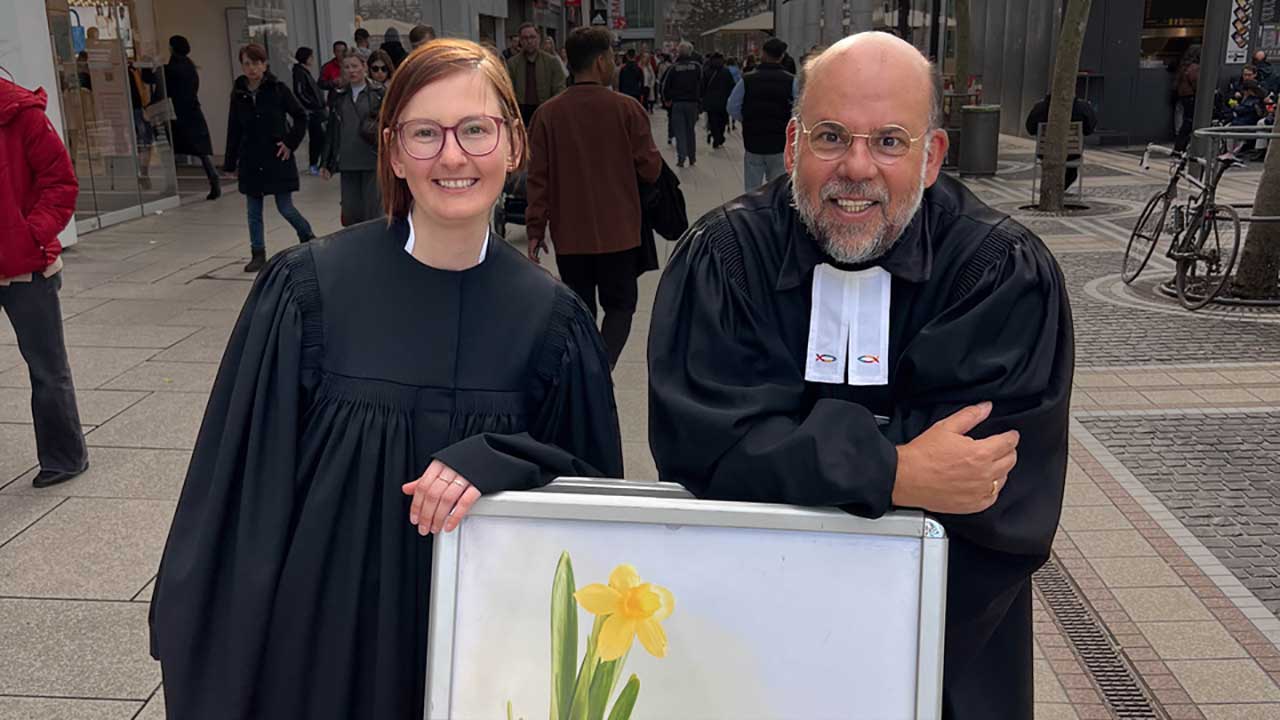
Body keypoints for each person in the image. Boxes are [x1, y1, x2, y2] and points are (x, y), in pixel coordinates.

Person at [150, 38, 622, 719]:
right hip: (323, 651)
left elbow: (592, 498)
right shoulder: (308, 291)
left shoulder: (553, 323)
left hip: (485, 655)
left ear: (514, 144)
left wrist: (504, 456)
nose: (452, 156)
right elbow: (240, 488)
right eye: (425, 133)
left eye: (476, 130)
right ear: (395, 152)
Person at [648, 32, 1072, 720]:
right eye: (830, 136)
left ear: (932, 156)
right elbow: (706, 449)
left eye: (890, 141)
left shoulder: (998, 274)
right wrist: (894, 469)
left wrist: (787, 448)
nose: (856, 167)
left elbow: (993, 488)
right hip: (749, 641)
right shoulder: (725, 261)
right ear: (791, 146)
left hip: (942, 654)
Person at [526, 26, 663, 368]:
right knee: (620, 306)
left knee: (581, 308)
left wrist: (534, 229)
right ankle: (602, 367)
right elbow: (650, 169)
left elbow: (537, 178)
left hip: (570, 233)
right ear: (601, 61)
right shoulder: (627, 109)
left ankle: (588, 367)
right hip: (620, 229)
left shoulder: (548, 114)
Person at [0, 75, 89, 489]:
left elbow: (61, 182)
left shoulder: (23, 115)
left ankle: (64, 456)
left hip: (27, 267)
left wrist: (30, 234)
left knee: (47, 368)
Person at [224, 43, 316, 272]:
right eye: (247, 63)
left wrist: (290, 143)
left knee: (285, 207)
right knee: (253, 211)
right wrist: (230, 161)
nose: (252, 68)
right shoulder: (238, 93)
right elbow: (233, 128)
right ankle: (257, 252)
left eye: (256, 63)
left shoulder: (278, 89)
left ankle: (308, 237)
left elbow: (300, 116)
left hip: (276, 156)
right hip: (251, 159)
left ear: (265, 64)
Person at [321, 50, 385, 227]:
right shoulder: (339, 95)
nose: (351, 71)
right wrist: (326, 161)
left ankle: (373, 246)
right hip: (348, 161)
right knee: (350, 212)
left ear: (364, 67)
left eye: (355, 66)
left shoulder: (378, 93)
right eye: (347, 67)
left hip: (372, 158)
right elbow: (332, 130)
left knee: (373, 211)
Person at [730, 37, 796, 192]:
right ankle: (774, 214)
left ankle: (752, 214)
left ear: (763, 54)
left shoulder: (747, 80)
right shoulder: (791, 81)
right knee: (778, 188)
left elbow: (732, 106)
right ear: (781, 56)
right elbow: (798, 110)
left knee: (752, 188)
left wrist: (746, 119)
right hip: (780, 142)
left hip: (753, 141)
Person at [165, 35, 221, 200]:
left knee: (171, 148)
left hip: (179, 113)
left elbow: (160, 83)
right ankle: (213, 179)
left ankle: (170, 185)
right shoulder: (189, 65)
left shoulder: (173, 68)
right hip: (193, 111)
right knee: (202, 150)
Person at [1023, 92, 1098, 191]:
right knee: (1072, 173)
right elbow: (1089, 130)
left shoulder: (1040, 107)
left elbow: (1030, 129)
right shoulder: (1082, 108)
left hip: (1045, 152)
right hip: (1072, 154)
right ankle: (1058, 190)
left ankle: (1053, 190)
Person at [505, 22, 566, 127]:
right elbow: (508, 90)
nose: (529, 41)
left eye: (532, 37)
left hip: (545, 108)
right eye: (525, 38)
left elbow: (559, 88)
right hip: (521, 110)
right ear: (520, 40)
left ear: (538, 38)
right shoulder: (512, 63)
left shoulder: (551, 62)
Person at [661, 41, 702, 167]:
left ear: (679, 52)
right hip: (692, 103)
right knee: (691, 130)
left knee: (680, 132)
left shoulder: (674, 67)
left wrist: (667, 99)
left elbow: (665, 86)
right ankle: (692, 157)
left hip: (678, 103)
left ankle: (681, 158)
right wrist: (700, 100)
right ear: (690, 52)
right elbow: (702, 84)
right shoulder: (697, 67)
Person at [292, 47, 327, 176]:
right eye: (311, 57)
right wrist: (312, 105)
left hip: (318, 110)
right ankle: (313, 164)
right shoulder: (299, 72)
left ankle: (321, 163)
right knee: (317, 138)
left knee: (322, 137)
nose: (312, 60)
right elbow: (300, 92)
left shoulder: (305, 72)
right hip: (313, 111)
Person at [700, 53, 735, 149]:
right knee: (722, 120)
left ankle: (716, 137)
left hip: (710, 101)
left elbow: (702, 86)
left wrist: (702, 98)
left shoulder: (707, 71)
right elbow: (732, 85)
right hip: (724, 101)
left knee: (713, 120)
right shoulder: (726, 71)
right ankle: (720, 136)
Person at [1173, 45, 1200, 153]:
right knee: (1189, 121)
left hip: (1183, 95)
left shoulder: (1183, 65)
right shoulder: (1194, 67)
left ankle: (1179, 146)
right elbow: (1195, 82)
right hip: (1191, 95)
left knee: (1185, 120)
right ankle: (1181, 146)